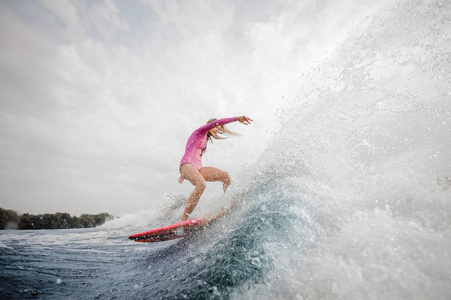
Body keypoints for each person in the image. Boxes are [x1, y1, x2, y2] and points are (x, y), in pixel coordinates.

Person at [178, 115, 253, 221]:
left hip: (197, 168)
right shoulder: (200, 132)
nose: (216, 129)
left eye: (218, 129)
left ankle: (228, 202)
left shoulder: (204, 140)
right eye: (215, 127)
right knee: (201, 184)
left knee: (225, 176)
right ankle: (183, 219)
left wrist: (188, 173)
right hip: (187, 165)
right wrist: (237, 118)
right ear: (209, 125)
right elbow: (188, 152)